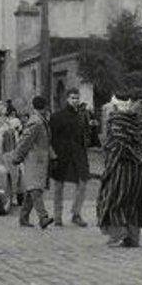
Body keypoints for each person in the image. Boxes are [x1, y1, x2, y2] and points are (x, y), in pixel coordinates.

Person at [96, 89, 142, 248]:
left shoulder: (117, 121)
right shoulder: (139, 121)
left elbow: (119, 146)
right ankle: (132, 237)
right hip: (138, 169)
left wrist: (139, 157)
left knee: (115, 199)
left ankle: (120, 233)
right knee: (133, 202)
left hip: (121, 168)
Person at [11, 96, 54, 229]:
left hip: (39, 160)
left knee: (32, 189)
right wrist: (17, 157)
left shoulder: (40, 120)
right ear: (45, 106)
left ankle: (23, 218)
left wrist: (53, 156)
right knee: (35, 188)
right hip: (34, 160)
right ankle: (43, 217)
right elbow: (25, 141)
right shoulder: (36, 122)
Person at [50, 87, 90, 227]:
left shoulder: (82, 116)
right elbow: (52, 138)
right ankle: (57, 216)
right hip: (62, 155)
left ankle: (76, 213)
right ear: (67, 99)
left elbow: (86, 135)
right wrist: (54, 155)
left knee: (83, 182)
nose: (75, 100)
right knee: (58, 185)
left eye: (77, 98)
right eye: (73, 98)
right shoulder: (57, 116)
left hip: (79, 154)